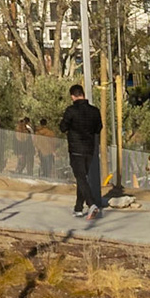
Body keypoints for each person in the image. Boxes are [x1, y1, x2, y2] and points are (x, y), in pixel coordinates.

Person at [57, 84, 107, 220]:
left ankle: (91, 204)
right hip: (89, 149)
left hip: (76, 149)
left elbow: (63, 127)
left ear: (73, 96)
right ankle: (78, 208)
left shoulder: (71, 111)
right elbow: (98, 128)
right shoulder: (94, 111)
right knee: (82, 177)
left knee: (80, 177)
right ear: (83, 94)